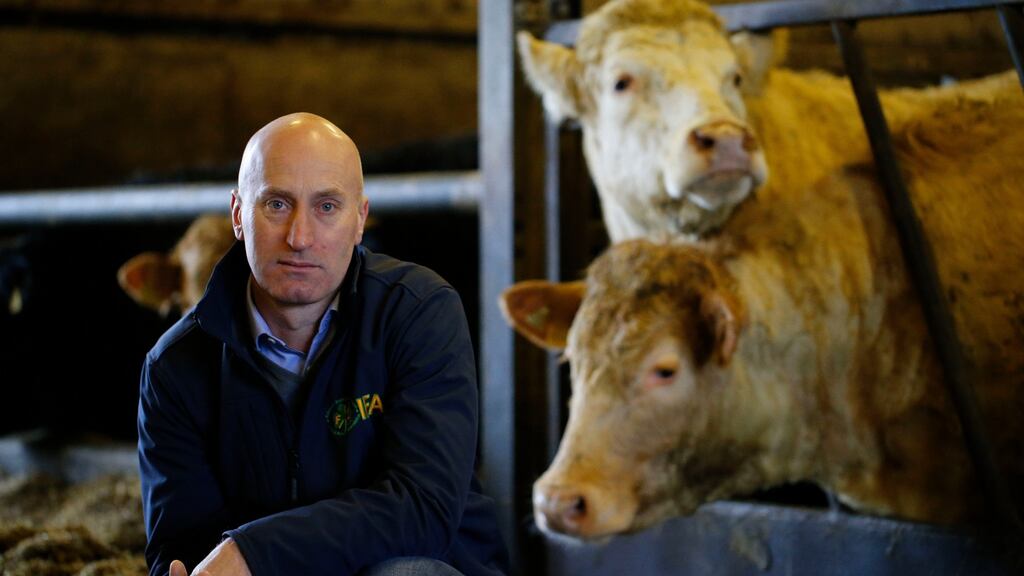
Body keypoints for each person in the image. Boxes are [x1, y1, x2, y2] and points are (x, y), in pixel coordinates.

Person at [137, 113, 509, 576]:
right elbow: (181, 548)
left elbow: (423, 507)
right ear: (237, 215)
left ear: (360, 220)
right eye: (276, 204)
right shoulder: (175, 367)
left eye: (327, 207)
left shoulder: (418, 312)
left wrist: (256, 551)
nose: (300, 237)